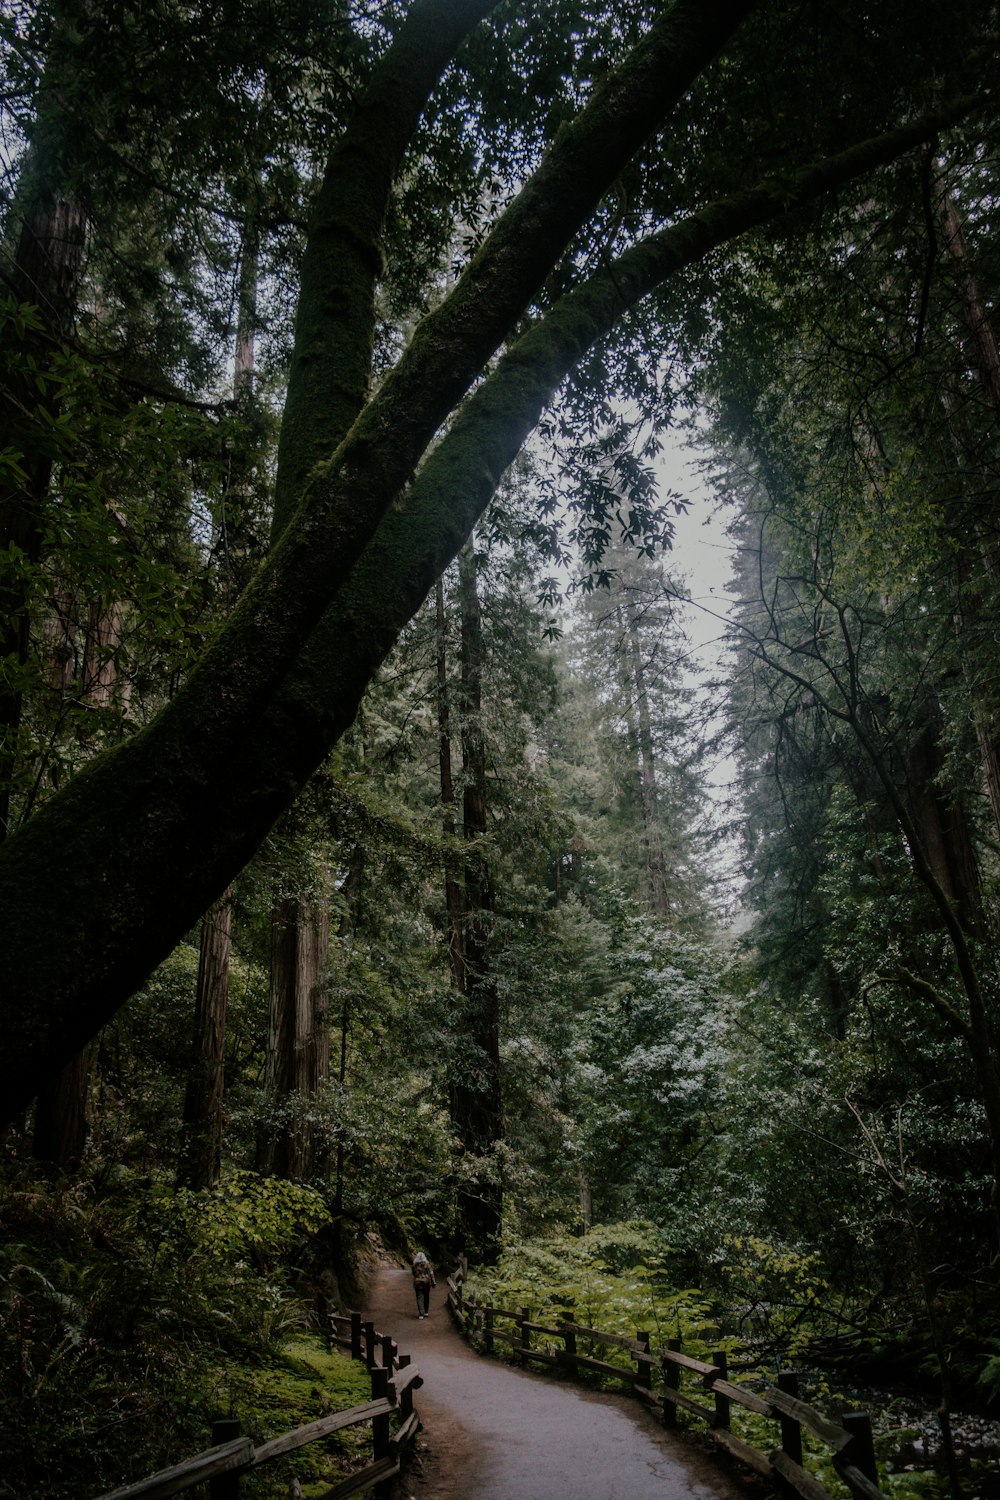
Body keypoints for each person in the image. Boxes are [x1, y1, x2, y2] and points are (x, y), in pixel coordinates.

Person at [411, 1251, 435, 1318]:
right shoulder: (427, 1264)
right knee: (426, 1297)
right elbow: (431, 1273)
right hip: (426, 1283)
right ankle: (426, 1312)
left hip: (417, 1283)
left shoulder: (414, 1265)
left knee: (419, 1298)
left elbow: (413, 1274)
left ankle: (421, 1314)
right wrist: (433, 1281)